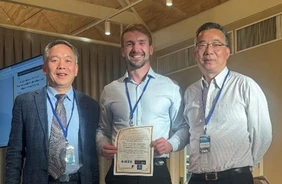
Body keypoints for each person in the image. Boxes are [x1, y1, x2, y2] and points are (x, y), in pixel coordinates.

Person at [96, 23, 189, 184]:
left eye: (141, 42)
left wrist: (170, 145)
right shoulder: (110, 90)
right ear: (122, 51)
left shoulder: (170, 87)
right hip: (120, 172)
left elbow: (183, 127)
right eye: (129, 44)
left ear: (151, 49)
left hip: (157, 172)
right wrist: (102, 146)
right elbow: (102, 130)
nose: (136, 48)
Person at [183, 22, 272, 184]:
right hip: (196, 179)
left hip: (234, 178)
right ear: (196, 53)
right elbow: (189, 131)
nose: (209, 51)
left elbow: (263, 134)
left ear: (227, 52)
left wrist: (244, 167)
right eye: (202, 45)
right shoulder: (190, 92)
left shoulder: (245, 85)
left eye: (216, 45)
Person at [5, 40, 100, 184]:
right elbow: (15, 152)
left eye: (68, 61)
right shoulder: (25, 102)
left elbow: (92, 157)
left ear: (76, 69)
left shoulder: (90, 105)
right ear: (44, 68)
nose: (62, 66)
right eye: (55, 60)